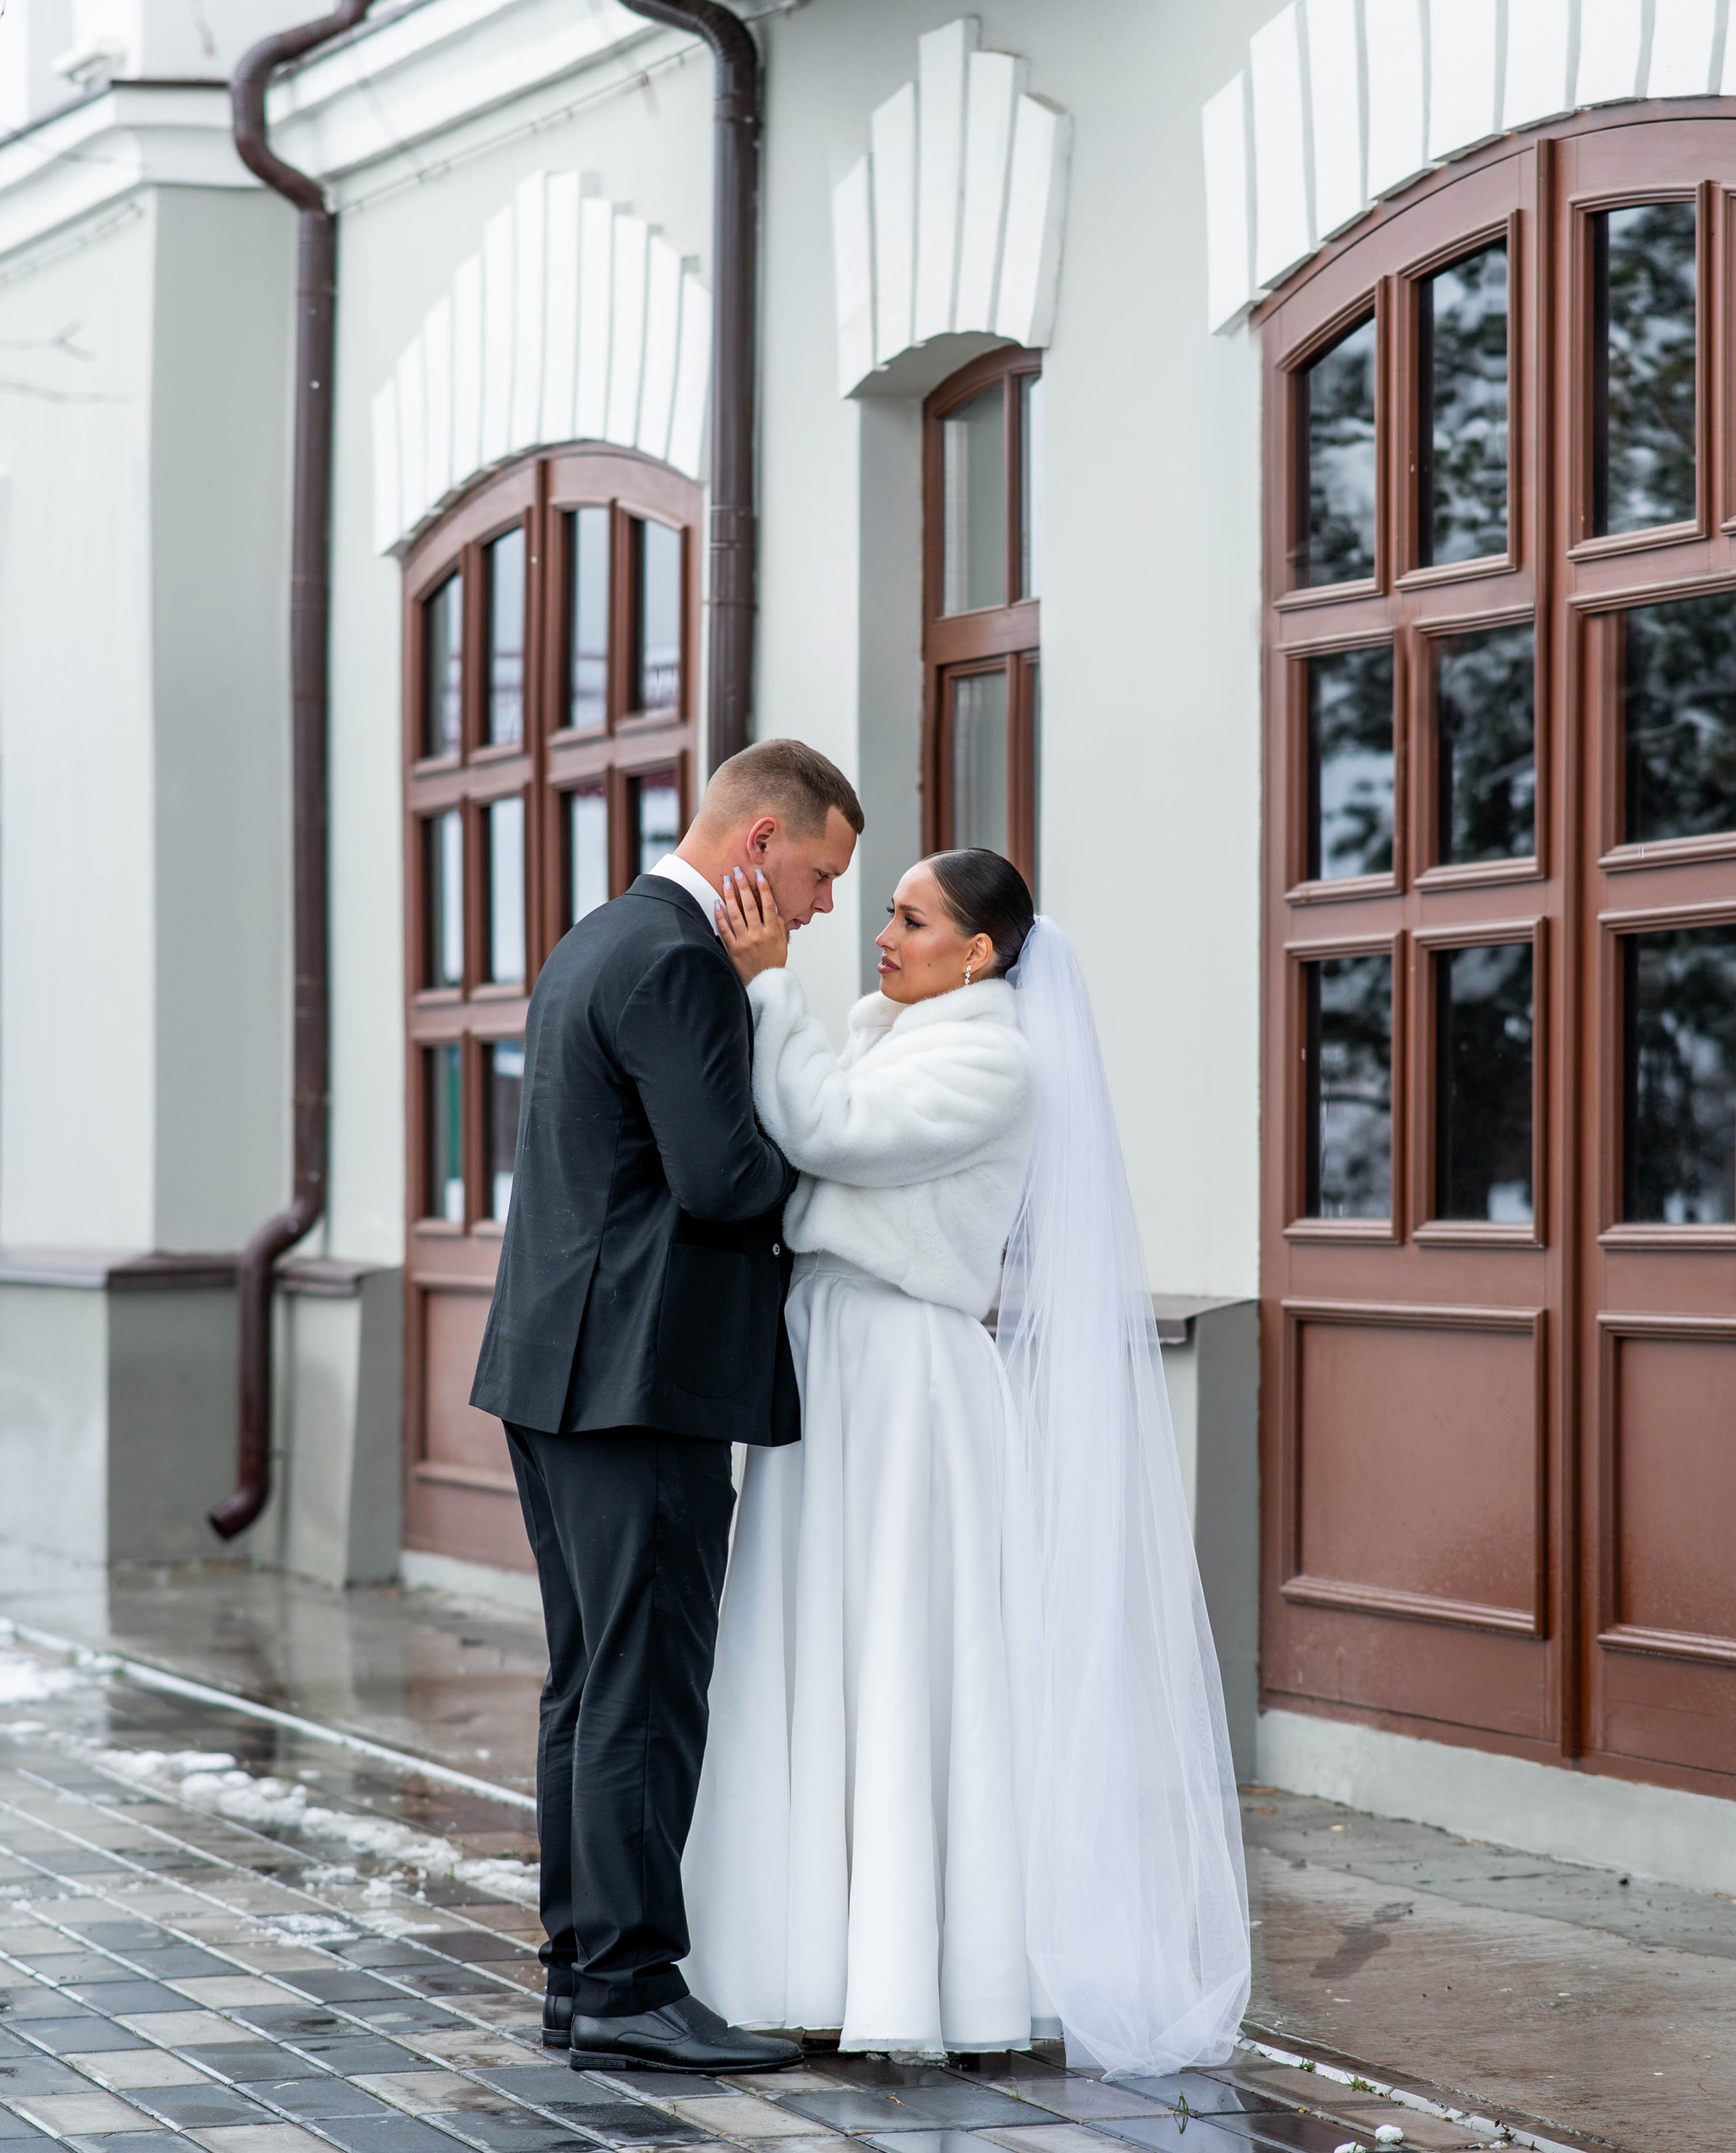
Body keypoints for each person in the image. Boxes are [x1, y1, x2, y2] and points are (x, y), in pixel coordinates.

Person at [684, 848, 1251, 2072]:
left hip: (902, 1378)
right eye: (883, 911)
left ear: (980, 951)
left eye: (910, 917)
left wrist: (767, 982)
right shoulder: (898, 1031)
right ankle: (805, 1958)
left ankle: (912, 1970)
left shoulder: (992, 1059)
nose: (882, 933)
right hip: (839, 1365)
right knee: (816, 1648)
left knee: (898, 1656)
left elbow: (824, 1130)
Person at [469, 738, 862, 2076]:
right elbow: (727, 1182)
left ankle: (584, 1976)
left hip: (560, 1369)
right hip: (636, 1380)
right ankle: (632, 1987)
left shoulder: (598, 937)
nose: (819, 911)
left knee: (589, 1684)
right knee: (639, 1690)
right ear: (759, 844)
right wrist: (764, 1000)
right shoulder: (688, 963)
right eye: (817, 876)